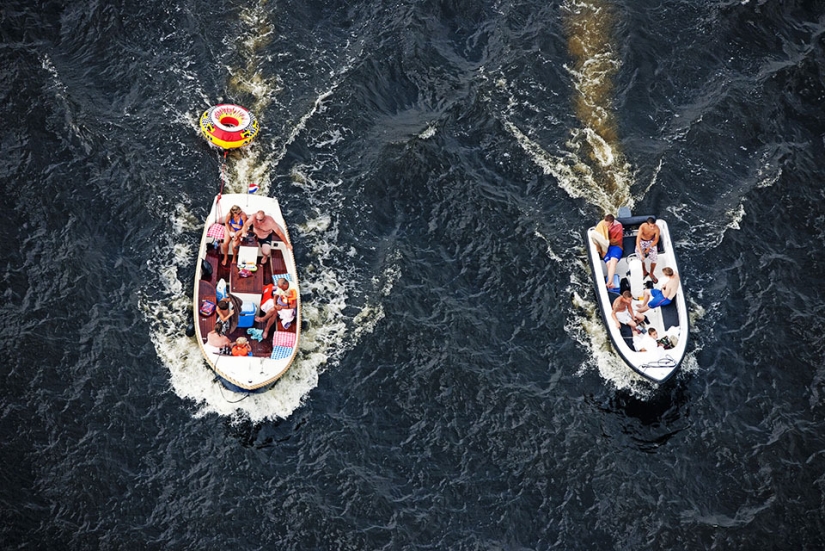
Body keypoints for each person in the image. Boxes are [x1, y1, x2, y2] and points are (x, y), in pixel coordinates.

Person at [593, 214, 623, 289]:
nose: (605, 226)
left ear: (611, 223)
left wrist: (607, 241)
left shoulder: (618, 226)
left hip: (616, 246)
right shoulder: (601, 224)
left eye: (607, 225)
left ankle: (609, 281)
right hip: (604, 247)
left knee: (613, 261)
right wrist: (602, 243)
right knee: (608, 263)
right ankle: (611, 282)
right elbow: (597, 234)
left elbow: (617, 241)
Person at [635, 217, 661, 283]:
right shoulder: (642, 227)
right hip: (642, 241)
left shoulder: (657, 229)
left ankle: (651, 273)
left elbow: (656, 240)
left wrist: (649, 248)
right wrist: (641, 253)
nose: (652, 228)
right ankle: (644, 271)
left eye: (653, 226)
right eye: (651, 226)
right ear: (647, 224)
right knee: (640, 258)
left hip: (651, 242)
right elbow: (637, 241)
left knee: (655, 258)